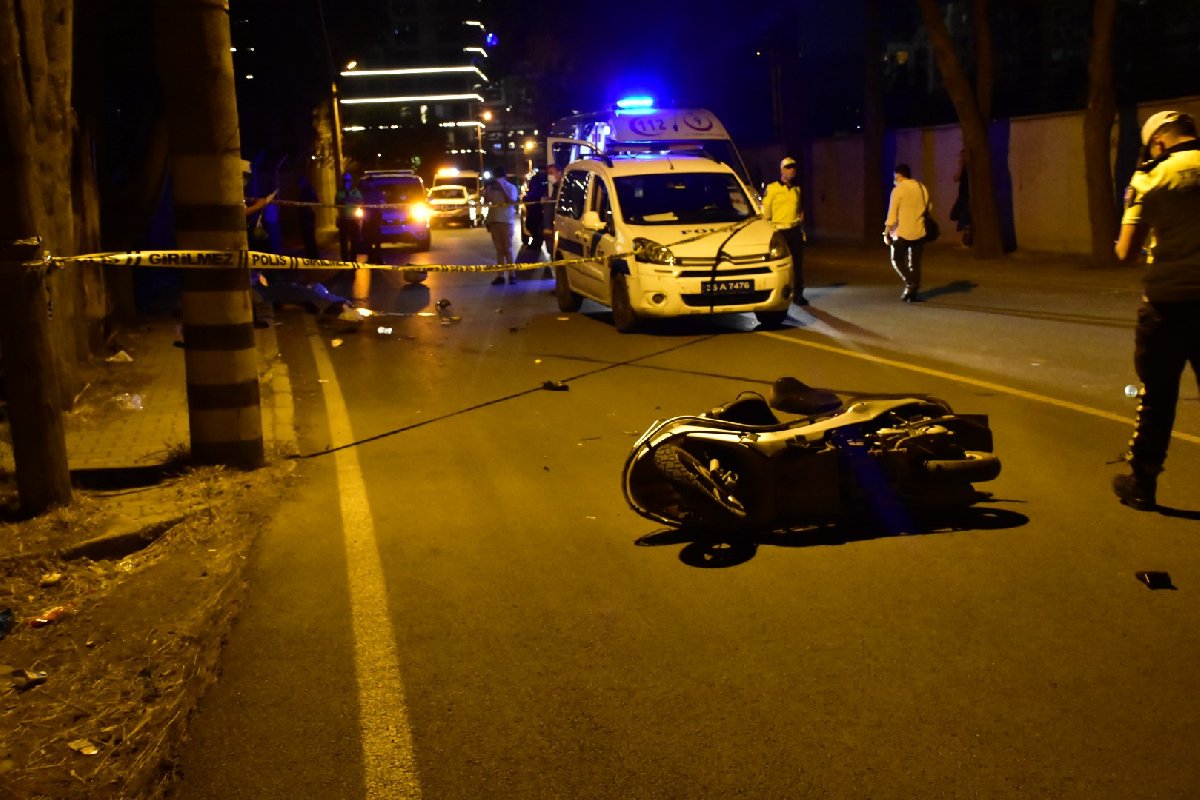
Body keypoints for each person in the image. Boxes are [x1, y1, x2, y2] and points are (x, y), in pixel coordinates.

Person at [1111, 110, 1200, 510]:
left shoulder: (1153, 174)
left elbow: (1126, 252)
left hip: (1168, 304)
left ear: (1158, 142)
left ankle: (1142, 482)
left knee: (1158, 396)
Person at [761, 156, 808, 305]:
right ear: (782, 170)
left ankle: (798, 294)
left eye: (793, 167)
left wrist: (801, 226)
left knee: (797, 264)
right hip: (779, 231)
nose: (792, 170)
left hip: (794, 230)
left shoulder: (797, 189)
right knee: (781, 265)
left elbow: (799, 209)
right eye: (788, 167)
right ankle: (782, 292)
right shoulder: (773, 188)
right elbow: (766, 212)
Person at [883, 163, 931, 302]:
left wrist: (886, 232)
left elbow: (892, 213)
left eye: (895, 176)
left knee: (897, 259)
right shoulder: (922, 188)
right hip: (919, 230)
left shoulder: (898, 190)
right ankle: (912, 293)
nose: (894, 179)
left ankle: (911, 282)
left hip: (902, 232)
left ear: (899, 175)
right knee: (915, 263)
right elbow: (929, 207)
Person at [484, 165, 520, 285]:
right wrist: (488, 188)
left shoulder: (511, 188)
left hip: (506, 221)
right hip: (494, 221)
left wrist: (502, 188)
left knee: (508, 249)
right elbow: (487, 200)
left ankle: (512, 274)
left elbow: (511, 201)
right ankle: (500, 275)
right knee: (499, 250)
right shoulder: (492, 188)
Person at [334, 172, 363, 262]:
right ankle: (345, 260)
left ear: (351, 181)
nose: (346, 182)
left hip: (354, 220)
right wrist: (344, 200)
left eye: (348, 180)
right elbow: (337, 204)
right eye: (345, 180)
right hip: (344, 220)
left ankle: (353, 259)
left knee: (354, 242)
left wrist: (350, 198)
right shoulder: (339, 193)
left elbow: (361, 202)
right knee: (343, 242)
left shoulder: (356, 192)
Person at [950, 149, 973, 247]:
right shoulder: (963, 168)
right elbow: (956, 178)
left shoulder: (971, 168)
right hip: (962, 196)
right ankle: (966, 238)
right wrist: (961, 165)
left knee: (965, 218)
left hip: (968, 197)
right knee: (955, 215)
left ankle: (967, 241)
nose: (962, 158)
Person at [297, 176, 320, 259]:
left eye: (300, 183)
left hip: (309, 217)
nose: (299, 185)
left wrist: (311, 207)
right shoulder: (303, 191)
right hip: (303, 217)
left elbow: (316, 201)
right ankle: (310, 255)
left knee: (310, 237)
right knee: (306, 238)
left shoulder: (309, 190)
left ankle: (314, 256)